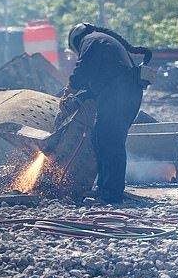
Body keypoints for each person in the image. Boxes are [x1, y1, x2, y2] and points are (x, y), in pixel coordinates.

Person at [61, 23, 151, 204]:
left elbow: (83, 68)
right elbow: (100, 79)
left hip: (119, 93)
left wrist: (69, 90)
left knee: (110, 140)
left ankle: (112, 195)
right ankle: (104, 188)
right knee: (100, 137)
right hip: (122, 92)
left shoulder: (91, 40)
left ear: (76, 40)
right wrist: (81, 96)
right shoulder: (102, 42)